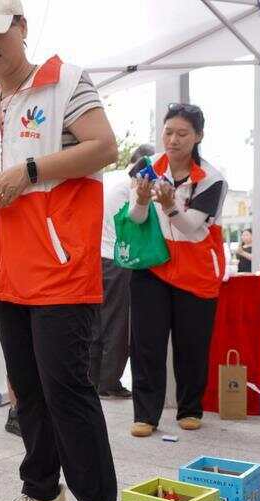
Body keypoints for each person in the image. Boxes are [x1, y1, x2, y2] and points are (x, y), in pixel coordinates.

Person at [0, 0, 119, 501]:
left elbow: (105, 146)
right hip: (9, 265)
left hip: (60, 263)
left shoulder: (65, 80)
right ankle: (41, 490)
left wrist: (28, 171)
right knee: (25, 388)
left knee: (66, 387)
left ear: (22, 27)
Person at [127, 103, 227, 438]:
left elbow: (191, 227)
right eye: (168, 132)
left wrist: (170, 205)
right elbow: (135, 218)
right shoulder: (146, 167)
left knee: (192, 343)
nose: (173, 140)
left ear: (198, 136)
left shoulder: (212, 179)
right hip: (152, 263)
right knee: (146, 343)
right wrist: (142, 201)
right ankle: (145, 415)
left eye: (183, 133)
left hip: (196, 269)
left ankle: (190, 409)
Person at [92, 143, 155, 400]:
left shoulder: (110, 178)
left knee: (97, 322)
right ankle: (108, 382)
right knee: (118, 324)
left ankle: (94, 379)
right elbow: (137, 221)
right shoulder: (132, 185)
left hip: (97, 257)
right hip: (118, 258)